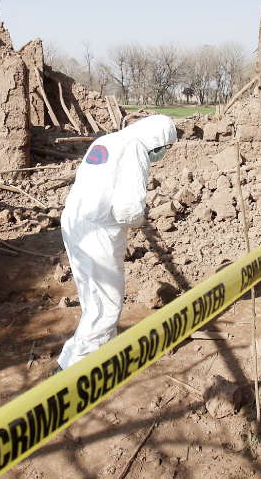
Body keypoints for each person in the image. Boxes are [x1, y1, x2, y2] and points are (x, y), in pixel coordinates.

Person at [54, 114, 178, 374]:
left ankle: (102, 354)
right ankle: (73, 369)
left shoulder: (109, 140)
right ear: (158, 142)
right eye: (165, 148)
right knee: (105, 303)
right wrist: (142, 216)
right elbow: (127, 210)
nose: (162, 154)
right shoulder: (135, 150)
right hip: (97, 232)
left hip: (75, 221)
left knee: (93, 295)